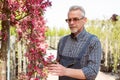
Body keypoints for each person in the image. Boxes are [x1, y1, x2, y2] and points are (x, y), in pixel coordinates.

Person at [48, 5, 102, 80]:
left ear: (85, 20)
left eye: (75, 19)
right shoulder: (62, 41)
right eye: (69, 20)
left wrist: (65, 71)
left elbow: (92, 73)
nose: (71, 23)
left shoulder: (93, 41)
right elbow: (58, 62)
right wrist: (48, 62)